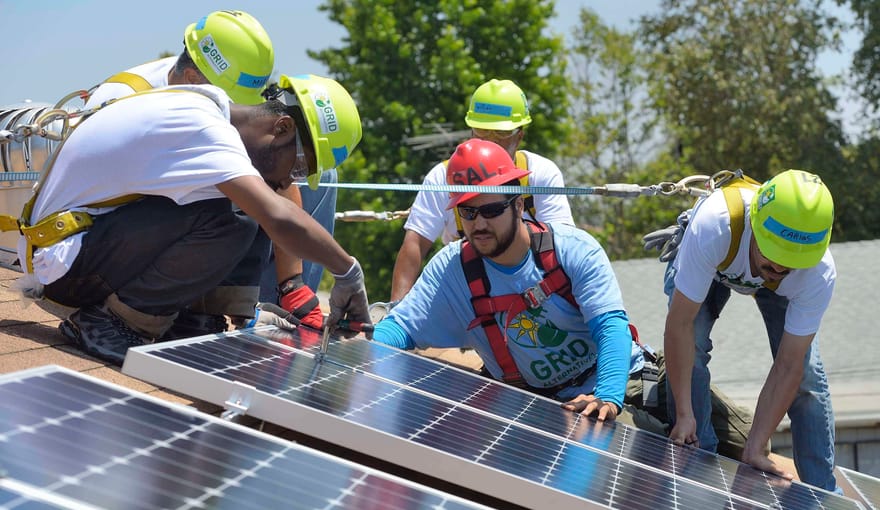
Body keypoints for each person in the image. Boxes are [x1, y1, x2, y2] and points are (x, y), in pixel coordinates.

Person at [8, 74, 369, 367]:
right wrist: (347, 272)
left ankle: (192, 322)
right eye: (301, 164)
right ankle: (109, 324)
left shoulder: (208, 106)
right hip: (64, 266)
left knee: (249, 202)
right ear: (283, 127)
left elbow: (282, 207)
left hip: (89, 247)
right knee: (241, 215)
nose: (291, 178)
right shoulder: (203, 128)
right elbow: (278, 216)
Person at [373, 138, 665, 431]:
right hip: (542, 407)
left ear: (518, 204)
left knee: (686, 441)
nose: (479, 224)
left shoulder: (573, 249)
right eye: (468, 213)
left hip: (619, 383)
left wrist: (607, 397)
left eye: (490, 210)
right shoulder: (451, 271)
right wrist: (360, 348)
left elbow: (611, 326)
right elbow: (400, 328)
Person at [84, 10, 326, 331]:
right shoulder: (123, 100)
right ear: (194, 81)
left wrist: (292, 284)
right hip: (96, 246)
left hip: (152, 228)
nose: (237, 110)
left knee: (265, 175)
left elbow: (280, 185)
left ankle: (210, 310)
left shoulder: (197, 85)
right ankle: (139, 311)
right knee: (238, 200)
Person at [660, 169, 839, 491]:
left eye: (792, 262)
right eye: (772, 256)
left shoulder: (817, 273)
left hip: (769, 282)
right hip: (718, 264)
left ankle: (822, 492)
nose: (780, 269)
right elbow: (680, 326)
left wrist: (756, 446)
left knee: (809, 376)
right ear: (756, 223)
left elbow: (789, 365)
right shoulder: (716, 225)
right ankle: (697, 457)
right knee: (695, 346)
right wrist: (685, 414)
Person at [390, 79, 574, 303]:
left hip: (534, 292)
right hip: (468, 293)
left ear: (519, 135)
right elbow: (415, 244)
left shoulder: (539, 173)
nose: (491, 142)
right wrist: (395, 310)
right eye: (482, 131)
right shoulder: (445, 178)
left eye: (501, 133)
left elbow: (564, 245)